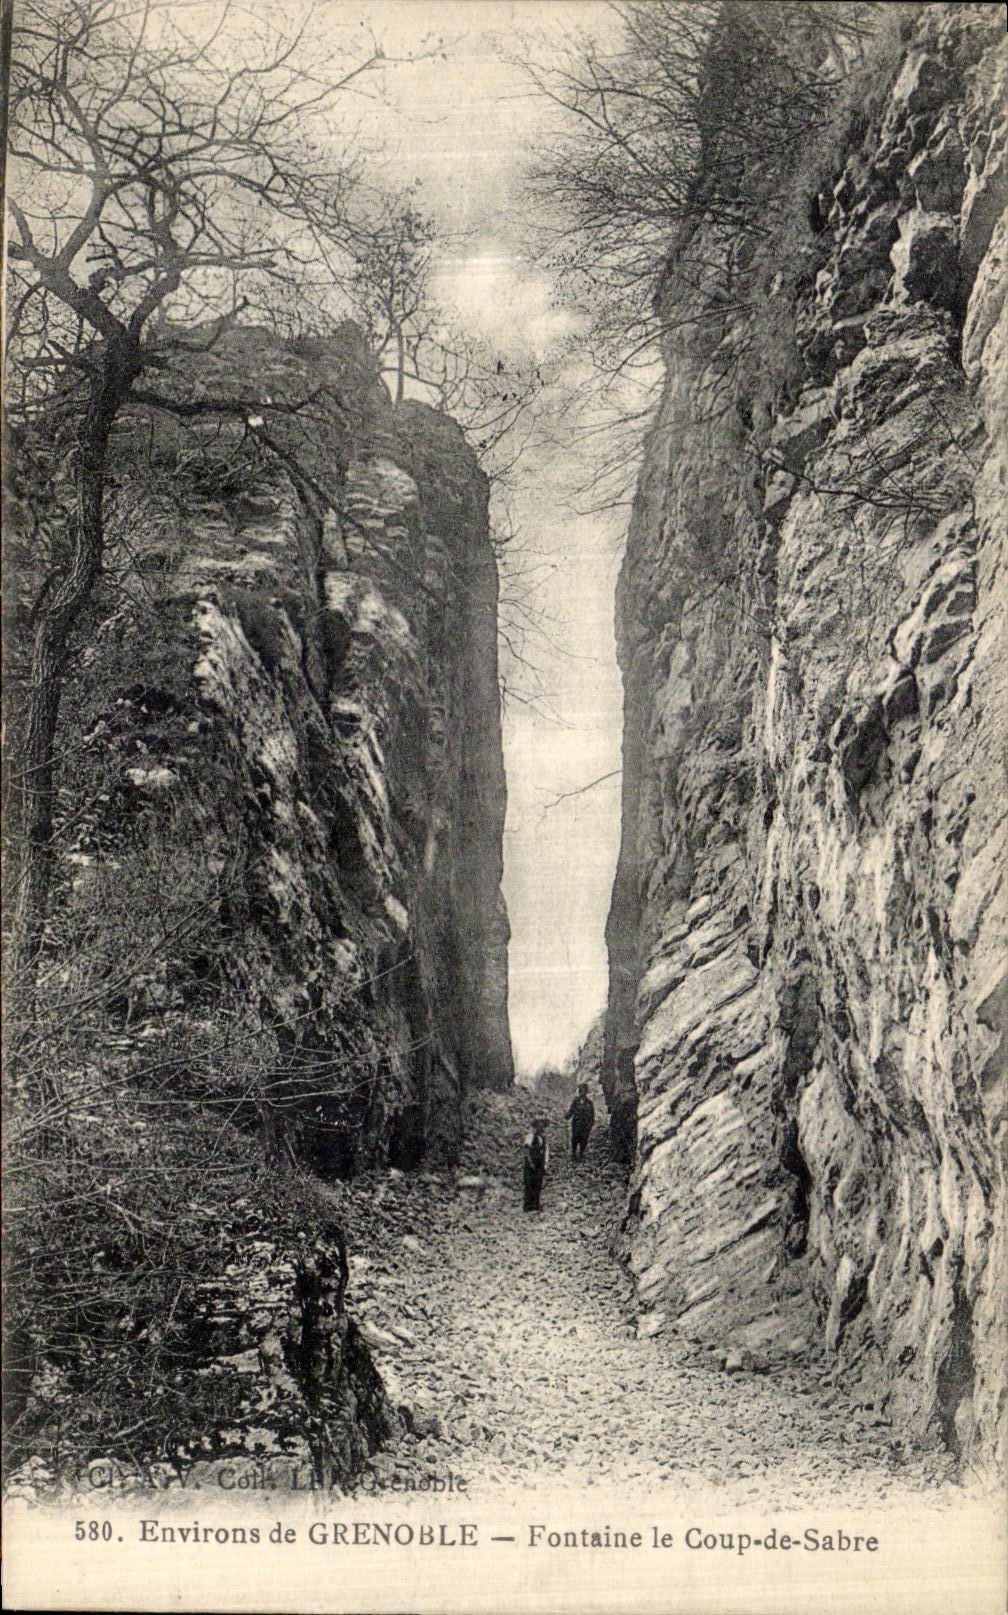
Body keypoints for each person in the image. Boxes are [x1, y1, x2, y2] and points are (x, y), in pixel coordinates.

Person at [523, 1118, 549, 1212]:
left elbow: (546, 1151)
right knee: (529, 1184)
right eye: (539, 1125)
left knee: (538, 1184)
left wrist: (545, 1165)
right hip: (532, 1165)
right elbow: (526, 1150)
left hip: (539, 1164)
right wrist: (530, 1163)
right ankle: (528, 1206)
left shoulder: (542, 1137)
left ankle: (536, 1205)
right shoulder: (530, 1136)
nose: (541, 1127)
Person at [566, 1083, 595, 1163]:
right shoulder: (575, 1101)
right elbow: (571, 1111)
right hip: (576, 1124)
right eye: (581, 1091)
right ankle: (573, 1154)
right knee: (575, 1139)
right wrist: (567, 1116)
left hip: (585, 1126)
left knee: (584, 1139)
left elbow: (592, 1116)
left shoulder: (590, 1103)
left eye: (584, 1091)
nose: (582, 1092)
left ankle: (581, 1153)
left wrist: (590, 1124)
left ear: (586, 1092)